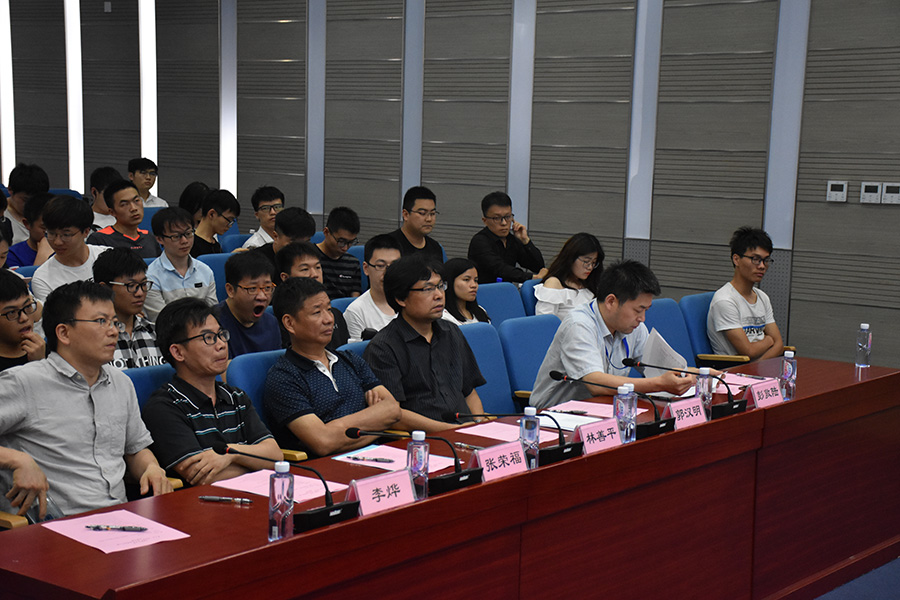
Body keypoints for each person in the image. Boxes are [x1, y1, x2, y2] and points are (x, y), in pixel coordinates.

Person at [0, 281, 172, 519]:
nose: (114, 331)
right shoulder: (23, 382)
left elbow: (135, 449)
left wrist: (151, 467)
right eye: (101, 321)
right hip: (57, 525)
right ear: (64, 333)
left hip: (122, 518)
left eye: (114, 322)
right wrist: (16, 459)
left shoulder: (120, 382)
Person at [142, 298, 282, 485]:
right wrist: (255, 462)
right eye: (208, 338)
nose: (221, 344)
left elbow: (275, 456)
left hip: (254, 492)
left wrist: (231, 454)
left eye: (221, 335)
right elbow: (202, 476)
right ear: (178, 352)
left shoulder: (235, 396)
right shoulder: (164, 407)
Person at [530, 260, 696, 410]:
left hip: (604, 409)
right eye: (638, 310)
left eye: (646, 310)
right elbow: (596, 383)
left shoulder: (634, 327)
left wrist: (694, 374)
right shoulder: (579, 325)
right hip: (554, 416)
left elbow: (659, 367)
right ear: (611, 301)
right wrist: (659, 384)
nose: (642, 318)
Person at [265, 277, 400, 456]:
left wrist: (335, 428)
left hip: (377, 455)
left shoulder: (350, 359)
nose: (329, 319)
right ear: (290, 323)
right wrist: (377, 420)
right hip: (325, 467)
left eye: (329, 309)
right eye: (317, 312)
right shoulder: (284, 377)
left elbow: (393, 409)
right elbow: (323, 443)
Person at [364, 256, 487, 432]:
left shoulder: (451, 331)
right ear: (400, 298)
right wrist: (450, 431)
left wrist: (479, 426)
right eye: (428, 289)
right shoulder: (383, 348)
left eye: (440, 286)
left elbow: (469, 392)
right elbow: (392, 415)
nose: (439, 295)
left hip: (466, 432)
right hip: (424, 439)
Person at [707, 227, 784, 361]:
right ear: (736, 259)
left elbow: (779, 345)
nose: (762, 266)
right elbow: (748, 351)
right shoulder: (725, 300)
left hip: (757, 368)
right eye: (755, 259)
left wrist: (758, 367)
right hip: (733, 369)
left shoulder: (762, 297)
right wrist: (768, 340)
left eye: (766, 260)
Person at [92, 248, 165, 369]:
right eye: (131, 286)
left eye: (143, 284)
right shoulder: (92, 339)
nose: (140, 293)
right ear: (104, 289)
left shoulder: (157, 333)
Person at [30, 194, 110, 303]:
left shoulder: (107, 257)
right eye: (51, 234)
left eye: (66, 235)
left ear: (86, 232)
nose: (57, 242)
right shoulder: (43, 278)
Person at [144, 207, 217, 321]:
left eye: (188, 233)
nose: (184, 241)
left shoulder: (205, 271)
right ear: (159, 239)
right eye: (176, 236)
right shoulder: (150, 277)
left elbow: (213, 312)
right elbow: (161, 320)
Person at [275, 241, 349, 350]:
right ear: (285, 277)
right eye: (305, 269)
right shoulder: (278, 323)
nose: (314, 274)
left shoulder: (335, 315)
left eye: (318, 267)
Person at [467, 191, 546, 284]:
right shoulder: (479, 242)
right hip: (483, 290)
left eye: (508, 217)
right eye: (497, 218)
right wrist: (532, 277)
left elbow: (538, 266)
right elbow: (500, 268)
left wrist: (526, 241)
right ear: (485, 220)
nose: (504, 223)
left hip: (505, 290)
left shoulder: (511, 239)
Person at [218, 251, 280, 358]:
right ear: (230, 290)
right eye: (252, 289)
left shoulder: (271, 323)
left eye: (267, 288)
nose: (262, 296)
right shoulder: (214, 324)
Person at [534, 233, 604, 320]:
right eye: (586, 261)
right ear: (571, 258)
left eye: (594, 263)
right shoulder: (554, 284)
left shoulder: (589, 283)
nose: (590, 267)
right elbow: (544, 322)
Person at [344, 234, 401, 342]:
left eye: (394, 266)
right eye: (380, 266)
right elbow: (358, 351)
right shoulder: (356, 312)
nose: (388, 273)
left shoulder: (413, 302)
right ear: (366, 268)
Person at [87, 179, 161, 259]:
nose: (133, 208)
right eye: (124, 204)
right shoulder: (100, 239)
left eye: (136, 201)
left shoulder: (149, 237)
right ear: (112, 212)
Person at [0, 270, 44, 372]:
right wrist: (39, 367)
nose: (24, 318)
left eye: (28, 306)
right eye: (12, 312)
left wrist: (42, 362)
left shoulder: (46, 350)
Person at [386, 186, 444, 261]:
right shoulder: (387, 246)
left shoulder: (436, 248)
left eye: (432, 213)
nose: (429, 219)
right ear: (406, 214)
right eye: (422, 213)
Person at [315, 206, 361, 299]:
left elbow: (354, 301)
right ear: (326, 232)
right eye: (341, 241)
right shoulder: (309, 257)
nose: (345, 248)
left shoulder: (353, 263)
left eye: (351, 242)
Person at [4, 163, 50, 245]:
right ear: (10, 190)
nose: (32, 205)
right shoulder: (3, 215)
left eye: (37, 200)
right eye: (26, 200)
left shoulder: (51, 212)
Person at [6, 192, 53, 268]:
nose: (52, 235)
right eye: (44, 228)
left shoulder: (68, 251)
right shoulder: (12, 255)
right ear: (27, 224)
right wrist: (43, 256)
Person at [441, 257, 490, 326]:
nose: (474, 285)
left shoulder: (481, 311)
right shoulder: (443, 317)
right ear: (450, 282)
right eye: (466, 280)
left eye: (475, 280)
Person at [191, 189, 240, 257]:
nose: (230, 225)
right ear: (212, 214)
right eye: (228, 220)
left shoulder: (216, 245)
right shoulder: (190, 245)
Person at [88, 166, 124, 230]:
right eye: (108, 195)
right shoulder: (81, 222)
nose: (112, 200)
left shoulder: (126, 219)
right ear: (94, 192)